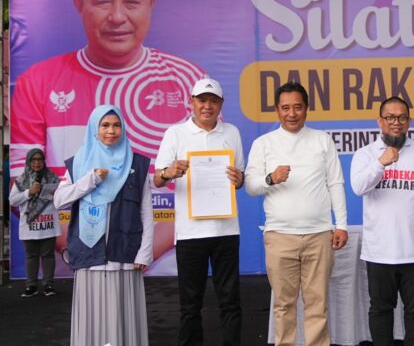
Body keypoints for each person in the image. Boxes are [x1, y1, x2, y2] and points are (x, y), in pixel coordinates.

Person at [9, 0, 204, 274]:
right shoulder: (37, 82)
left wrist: (140, 249)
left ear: (151, 2)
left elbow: (200, 184)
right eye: (102, 1)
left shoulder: (189, 79)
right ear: (78, 4)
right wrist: (81, 248)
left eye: (131, 1)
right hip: (73, 256)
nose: (117, 16)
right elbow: (22, 189)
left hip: (155, 255)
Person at [245, 82, 348, 346]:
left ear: (307, 109)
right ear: (277, 110)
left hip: (319, 234)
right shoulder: (263, 143)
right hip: (280, 236)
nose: (292, 113)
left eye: (298, 107)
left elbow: (335, 183)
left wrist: (342, 225)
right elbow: (251, 186)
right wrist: (271, 178)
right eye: (286, 108)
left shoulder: (322, 140)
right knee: (283, 305)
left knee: (318, 304)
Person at [154, 78, 245, 346]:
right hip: (190, 232)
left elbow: (239, 179)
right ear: (191, 102)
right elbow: (158, 179)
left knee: (230, 301)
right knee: (190, 304)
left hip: (226, 230)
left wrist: (238, 179)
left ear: (221, 104)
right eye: (202, 100)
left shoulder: (232, 133)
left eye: (213, 101)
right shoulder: (175, 134)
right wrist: (169, 172)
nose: (207, 106)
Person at [53, 105, 154, 346]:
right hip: (91, 254)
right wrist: (91, 179)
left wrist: (145, 251)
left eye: (116, 125)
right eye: (105, 125)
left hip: (125, 253)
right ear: (94, 129)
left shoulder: (137, 164)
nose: (111, 131)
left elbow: (146, 212)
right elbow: (58, 200)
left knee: (124, 317)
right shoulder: (77, 163)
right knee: (92, 319)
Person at [350, 97, 414, 345]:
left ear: (409, 121)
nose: (396, 123)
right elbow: (358, 187)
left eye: (402, 118)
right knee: (380, 310)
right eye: (390, 118)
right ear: (380, 121)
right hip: (380, 251)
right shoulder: (366, 154)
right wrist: (380, 163)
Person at [9, 149, 61, 297]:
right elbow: (12, 200)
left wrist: (52, 194)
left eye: (40, 160)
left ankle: (48, 285)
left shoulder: (52, 178)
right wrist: (28, 193)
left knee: (48, 255)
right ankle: (31, 285)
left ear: (44, 161)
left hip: (48, 223)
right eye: (34, 160)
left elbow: (62, 198)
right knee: (31, 255)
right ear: (29, 162)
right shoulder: (21, 180)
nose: (37, 163)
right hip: (29, 225)